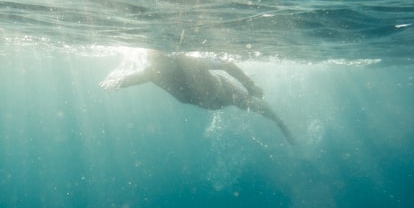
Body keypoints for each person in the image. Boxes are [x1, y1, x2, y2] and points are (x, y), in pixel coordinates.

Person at [100, 49, 295, 144]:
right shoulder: (152, 72)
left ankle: (280, 122)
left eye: (159, 59)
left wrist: (250, 85)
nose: (157, 64)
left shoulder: (188, 61)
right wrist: (115, 82)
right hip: (208, 102)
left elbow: (226, 64)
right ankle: (277, 120)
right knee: (247, 103)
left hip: (224, 92)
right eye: (153, 60)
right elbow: (128, 79)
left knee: (249, 104)